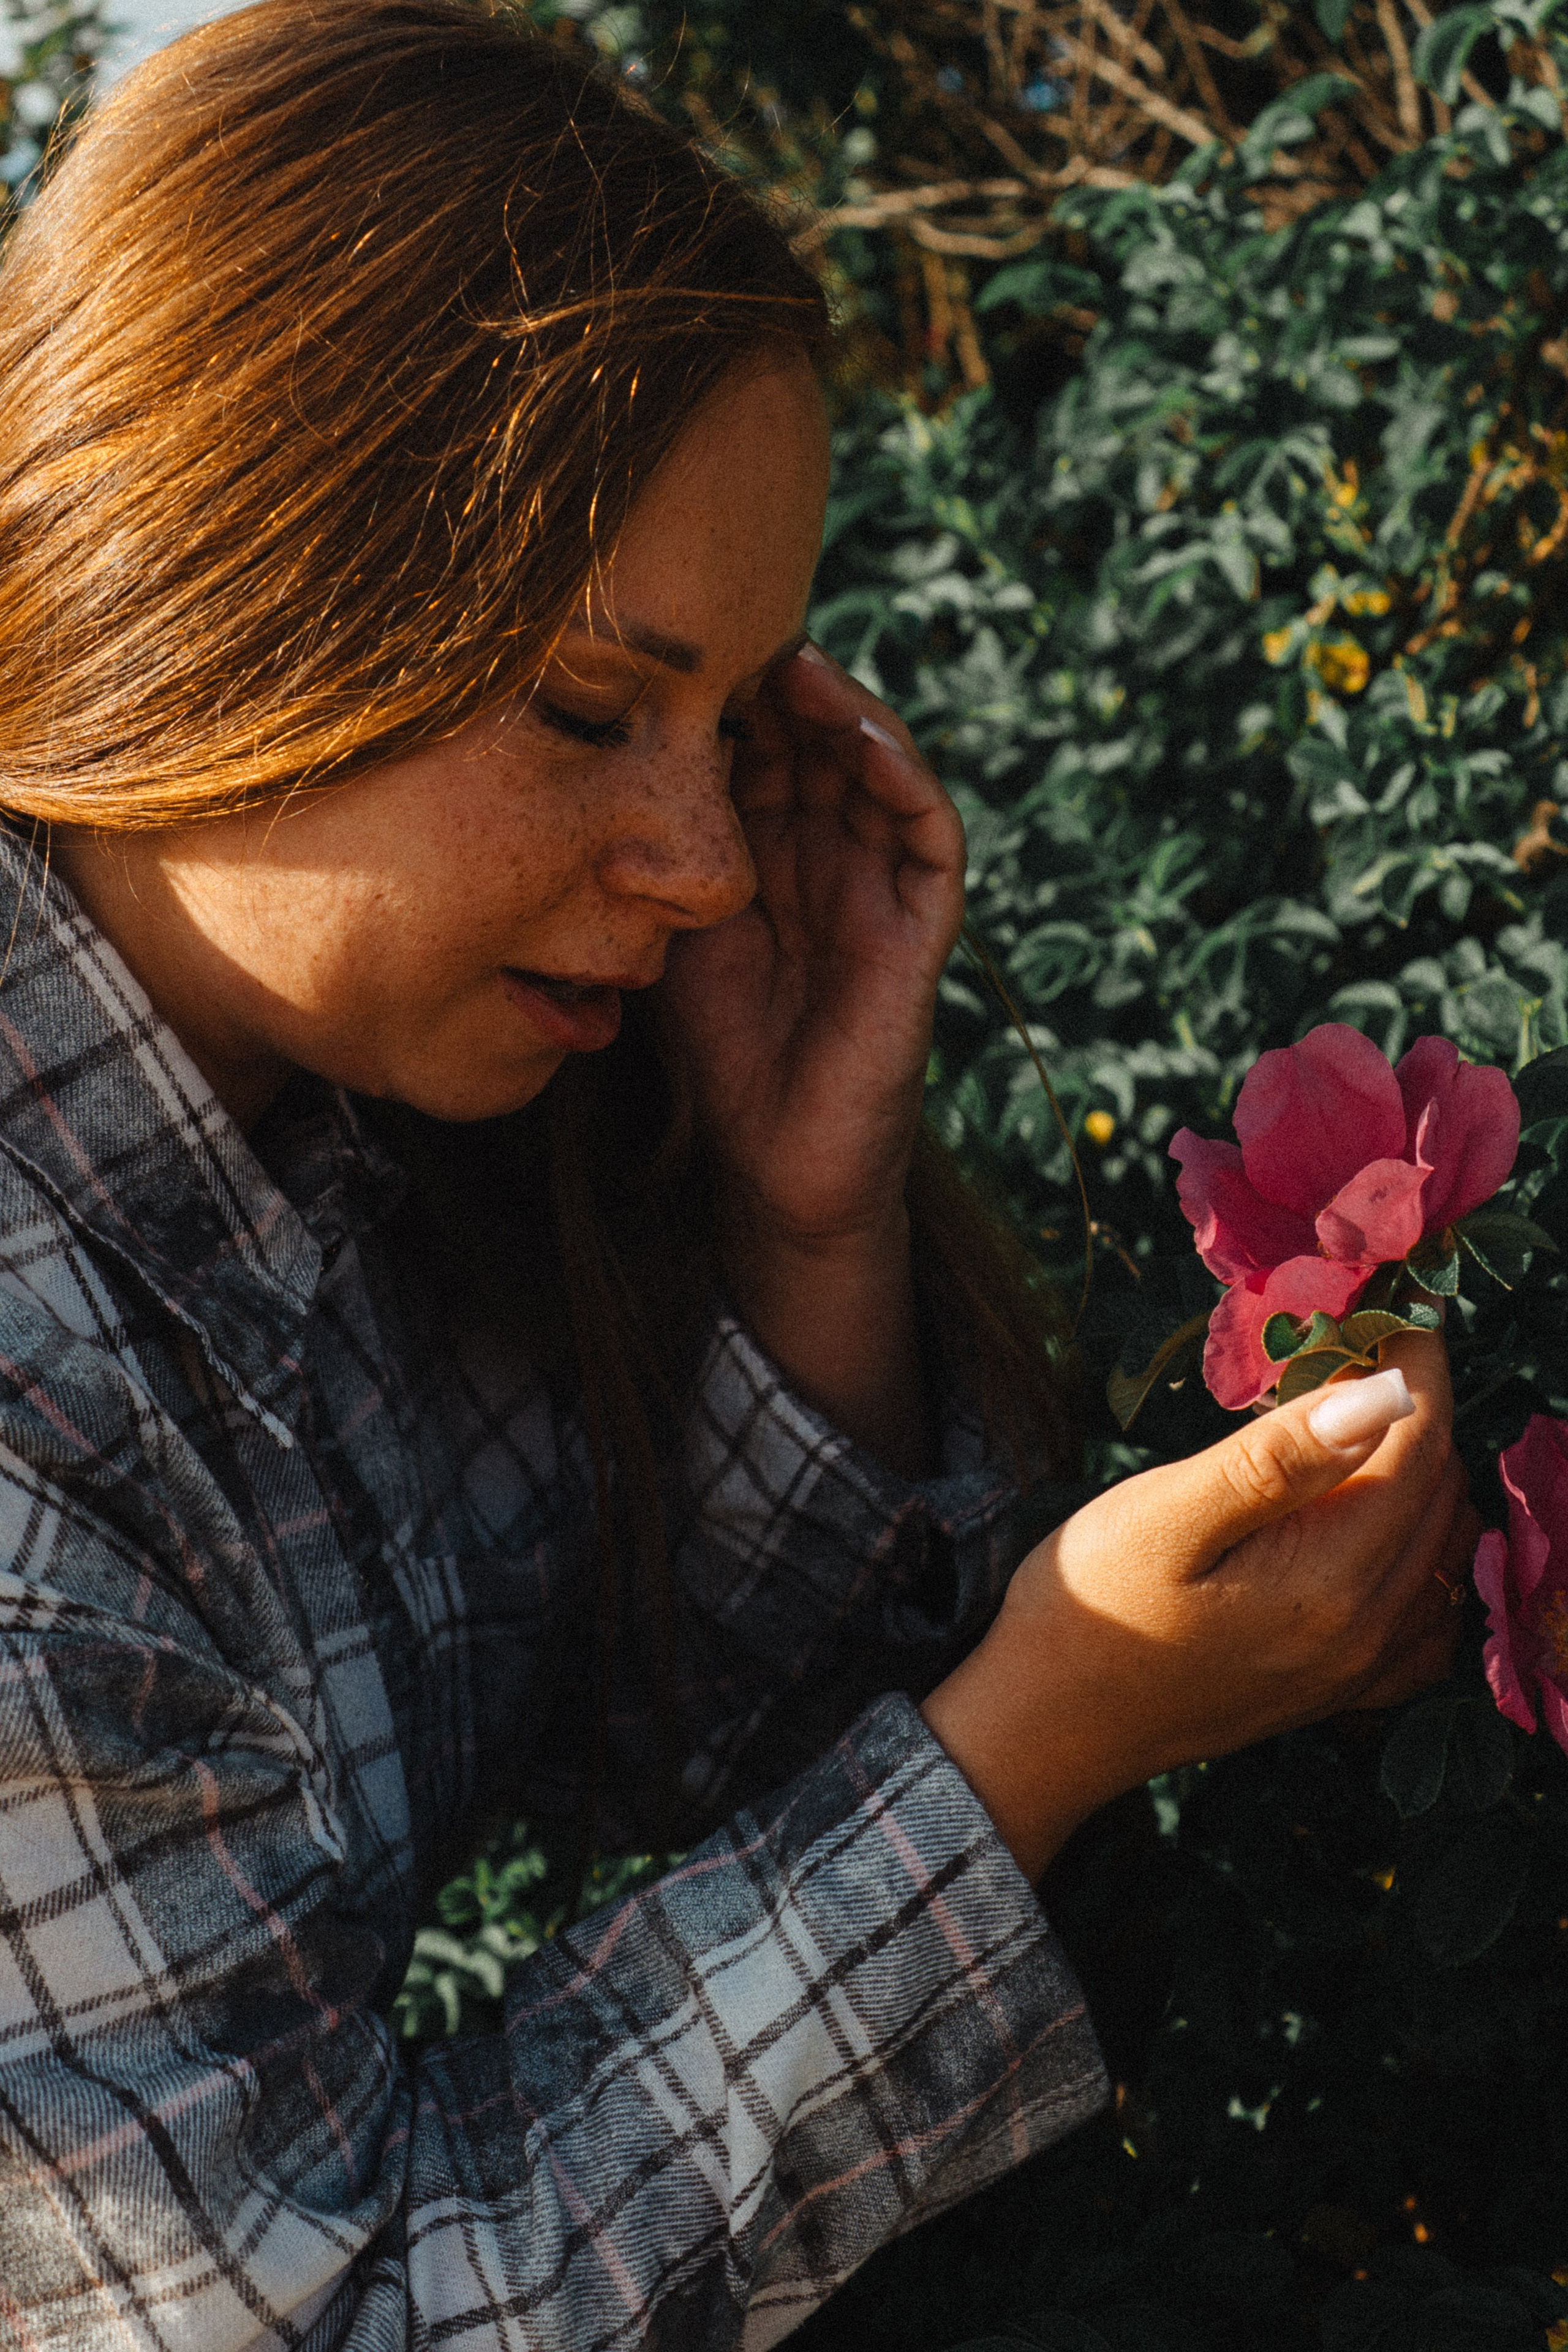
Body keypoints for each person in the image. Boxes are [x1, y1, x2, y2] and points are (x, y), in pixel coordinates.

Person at [0, 4, 1472, 2345]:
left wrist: (811, 1221)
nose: (703, 865)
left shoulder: (327, 1139)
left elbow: (681, 1733)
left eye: (734, 717)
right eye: (592, 710)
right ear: (207, 587)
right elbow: (332, 2311)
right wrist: (1050, 1729)